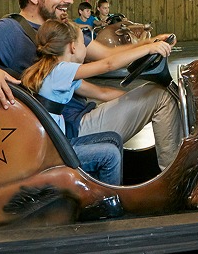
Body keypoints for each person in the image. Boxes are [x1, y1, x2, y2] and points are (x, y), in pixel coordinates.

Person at [0, 0, 183, 171]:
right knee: (161, 97)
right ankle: (174, 177)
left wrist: (150, 42)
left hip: (81, 116)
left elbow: (109, 53)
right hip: (67, 131)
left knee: (152, 95)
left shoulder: (60, 29)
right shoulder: (9, 31)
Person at [21, 20, 172, 184]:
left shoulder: (58, 73)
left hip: (58, 142)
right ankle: (108, 203)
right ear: (72, 47)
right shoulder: (61, 70)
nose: (85, 48)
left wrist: (139, 99)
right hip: (53, 151)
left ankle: (115, 188)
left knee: (113, 139)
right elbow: (108, 64)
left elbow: (102, 92)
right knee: (110, 154)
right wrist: (148, 48)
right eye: (82, 43)